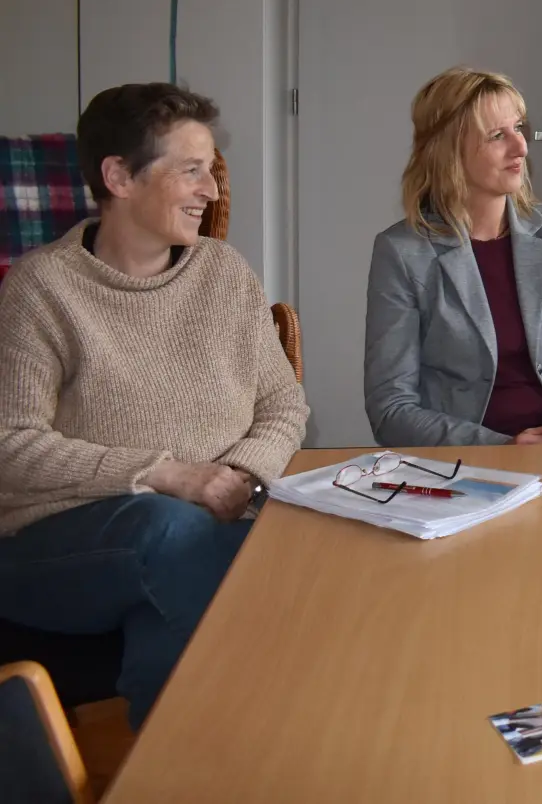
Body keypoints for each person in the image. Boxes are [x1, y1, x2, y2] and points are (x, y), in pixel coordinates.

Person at [0, 83, 310, 728]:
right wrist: (171, 476)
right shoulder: (41, 290)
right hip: (58, 549)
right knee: (174, 531)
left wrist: (241, 477)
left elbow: (284, 402)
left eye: (212, 171)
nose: (213, 192)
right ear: (119, 176)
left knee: (190, 580)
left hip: (204, 531)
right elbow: (11, 443)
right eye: (190, 171)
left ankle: (170, 772)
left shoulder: (225, 274)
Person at [365, 67, 542, 446]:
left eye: (519, 128)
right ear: (448, 150)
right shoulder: (401, 252)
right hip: (465, 466)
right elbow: (391, 409)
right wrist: (501, 448)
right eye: (498, 135)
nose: (522, 148)